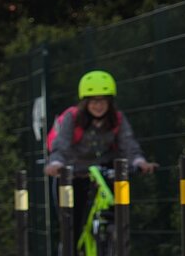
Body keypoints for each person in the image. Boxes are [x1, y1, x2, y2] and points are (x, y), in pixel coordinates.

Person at [44, 70, 158, 246]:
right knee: (71, 227)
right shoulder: (72, 117)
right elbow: (61, 146)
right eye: (94, 100)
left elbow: (129, 144)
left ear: (110, 101)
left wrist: (140, 162)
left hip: (105, 173)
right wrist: (56, 164)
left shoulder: (117, 119)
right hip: (73, 174)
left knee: (119, 216)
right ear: (86, 102)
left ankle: (111, 240)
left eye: (103, 100)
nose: (99, 105)